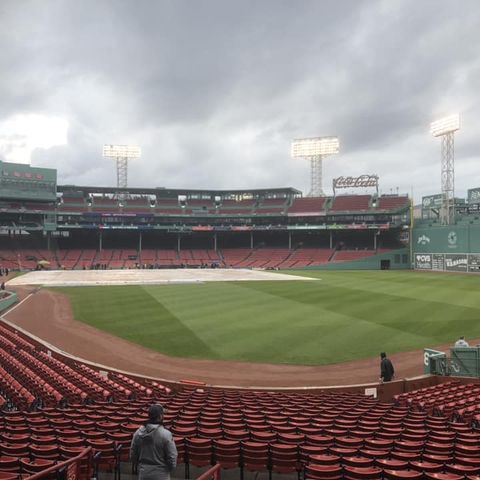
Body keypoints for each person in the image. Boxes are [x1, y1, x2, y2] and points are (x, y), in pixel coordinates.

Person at [130, 404, 177, 480]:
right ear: (160, 416)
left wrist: (141, 466)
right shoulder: (166, 434)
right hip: (161, 474)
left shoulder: (138, 433)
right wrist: (169, 469)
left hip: (143, 473)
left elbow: (133, 454)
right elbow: (172, 457)